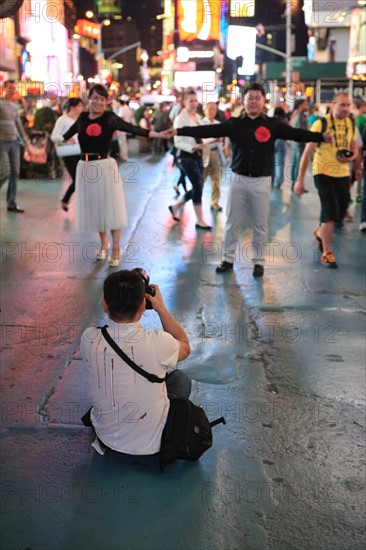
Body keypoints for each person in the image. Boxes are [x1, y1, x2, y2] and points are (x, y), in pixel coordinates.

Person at [170, 83, 333, 277]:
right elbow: (207, 130)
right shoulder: (234, 124)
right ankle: (227, 258)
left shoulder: (274, 125)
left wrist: (320, 136)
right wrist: (179, 132)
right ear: (244, 101)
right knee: (232, 222)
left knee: (260, 224)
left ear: (264, 101)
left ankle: (258, 261)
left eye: (257, 98)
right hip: (238, 179)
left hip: (262, 181)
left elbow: (296, 134)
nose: (253, 102)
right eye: (250, 98)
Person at [81, 269, 191, 456]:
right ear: (144, 305)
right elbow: (185, 347)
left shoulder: (88, 338)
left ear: (105, 305)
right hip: (151, 445)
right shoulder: (159, 342)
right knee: (180, 380)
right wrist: (161, 308)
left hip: (105, 437)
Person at [63, 84, 169, 267]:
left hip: (105, 167)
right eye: (95, 98)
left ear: (106, 101)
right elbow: (67, 134)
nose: (98, 102)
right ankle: (104, 242)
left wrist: (156, 134)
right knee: (96, 209)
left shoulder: (109, 118)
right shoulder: (81, 118)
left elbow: (132, 128)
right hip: (86, 168)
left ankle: (116, 248)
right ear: (89, 99)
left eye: (102, 99)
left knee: (110, 208)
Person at [294, 93, 358, 268]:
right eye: (341, 105)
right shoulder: (321, 124)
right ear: (333, 105)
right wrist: (299, 180)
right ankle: (327, 252)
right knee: (329, 212)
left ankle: (321, 232)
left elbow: (354, 148)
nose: (345, 108)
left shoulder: (350, 123)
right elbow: (307, 153)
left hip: (343, 173)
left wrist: (352, 157)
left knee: (340, 211)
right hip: (322, 172)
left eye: (347, 105)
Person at [168, 89, 212, 230]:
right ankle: (200, 220)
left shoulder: (197, 116)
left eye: (195, 100)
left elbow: (202, 134)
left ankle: (175, 206)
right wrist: (193, 147)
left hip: (198, 155)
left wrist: (209, 140)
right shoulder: (180, 119)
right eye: (190, 101)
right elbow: (177, 142)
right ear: (184, 102)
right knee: (198, 186)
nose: (194, 103)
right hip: (186, 157)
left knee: (198, 186)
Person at [0, 80, 30, 213]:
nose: (12, 90)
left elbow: (19, 127)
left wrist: (27, 142)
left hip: (14, 143)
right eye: (9, 88)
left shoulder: (14, 107)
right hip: (2, 143)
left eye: (14, 88)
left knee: (15, 173)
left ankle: (11, 203)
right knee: (5, 173)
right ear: (3, 89)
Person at [51, 98, 84, 211]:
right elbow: (54, 136)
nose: (81, 108)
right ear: (72, 107)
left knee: (81, 179)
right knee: (78, 179)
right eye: (79, 106)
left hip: (80, 151)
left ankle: (66, 199)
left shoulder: (80, 119)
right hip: (68, 153)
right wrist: (66, 139)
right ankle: (66, 199)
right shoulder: (62, 120)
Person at [201, 102, 224, 211]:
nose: (212, 111)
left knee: (216, 180)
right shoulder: (201, 123)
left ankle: (215, 202)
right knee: (201, 179)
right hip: (204, 153)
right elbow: (202, 140)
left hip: (215, 153)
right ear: (204, 110)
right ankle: (197, 202)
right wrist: (215, 138)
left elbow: (221, 140)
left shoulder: (218, 124)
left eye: (214, 109)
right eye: (209, 109)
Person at [290, 98, 309, 191]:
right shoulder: (300, 117)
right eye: (305, 104)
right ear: (300, 105)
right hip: (299, 145)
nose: (307, 106)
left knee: (295, 164)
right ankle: (296, 185)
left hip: (295, 144)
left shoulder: (296, 115)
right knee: (298, 165)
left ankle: (294, 184)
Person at [271, 107, 288, 189]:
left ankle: (271, 180)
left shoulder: (271, 120)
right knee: (280, 164)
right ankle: (278, 182)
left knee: (272, 163)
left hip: (272, 143)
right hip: (281, 142)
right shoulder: (284, 121)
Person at [115, 97, 134, 162]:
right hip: (126, 127)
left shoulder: (122, 109)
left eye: (117, 103)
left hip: (121, 127)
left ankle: (123, 157)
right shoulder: (128, 108)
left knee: (122, 142)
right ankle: (124, 156)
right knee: (124, 142)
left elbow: (121, 117)